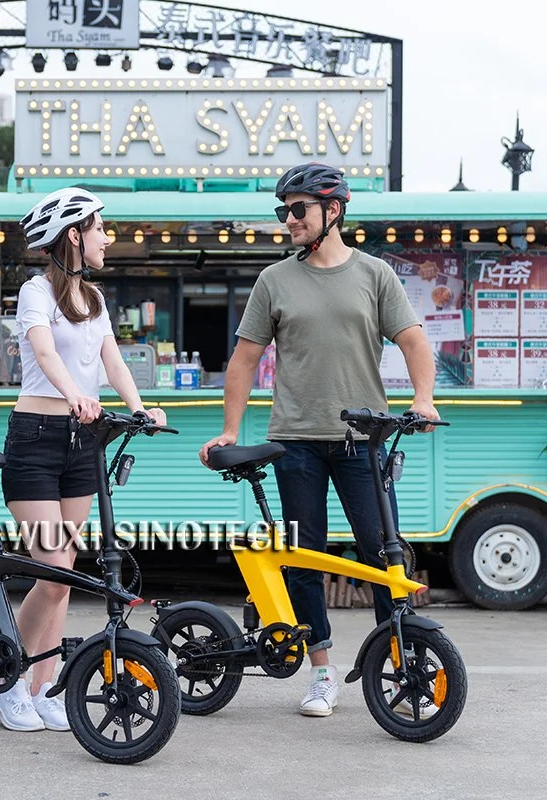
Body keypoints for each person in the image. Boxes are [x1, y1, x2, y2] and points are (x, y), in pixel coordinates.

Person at [199, 163, 438, 719]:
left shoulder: (375, 275)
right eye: (282, 211)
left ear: (333, 211)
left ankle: (399, 667)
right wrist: (231, 430)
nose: (288, 220)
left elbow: (413, 340)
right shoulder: (274, 280)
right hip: (295, 443)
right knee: (304, 560)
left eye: (297, 209)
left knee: (385, 556)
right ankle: (322, 673)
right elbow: (244, 359)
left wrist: (423, 398)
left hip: (364, 440)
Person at [0, 187, 167, 732]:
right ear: (73, 235)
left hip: (82, 441)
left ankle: (45, 688)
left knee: (63, 577)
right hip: (37, 437)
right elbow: (41, 352)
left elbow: (112, 359)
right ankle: (7, 678)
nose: (107, 238)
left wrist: (138, 409)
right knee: (56, 567)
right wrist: (72, 395)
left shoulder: (93, 299)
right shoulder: (35, 291)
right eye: (99, 229)